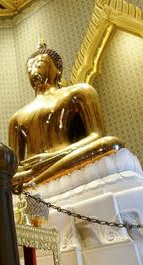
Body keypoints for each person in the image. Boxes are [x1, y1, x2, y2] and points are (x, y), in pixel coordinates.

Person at [8, 41, 123, 187]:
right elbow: (14, 167)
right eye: (29, 68)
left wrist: (50, 158)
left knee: (109, 144)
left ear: (58, 70)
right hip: (32, 168)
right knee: (5, 178)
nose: (33, 70)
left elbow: (97, 135)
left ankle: (35, 179)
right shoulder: (17, 117)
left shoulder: (79, 92)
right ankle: (35, 177)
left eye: (39, 64)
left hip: (66, 157)